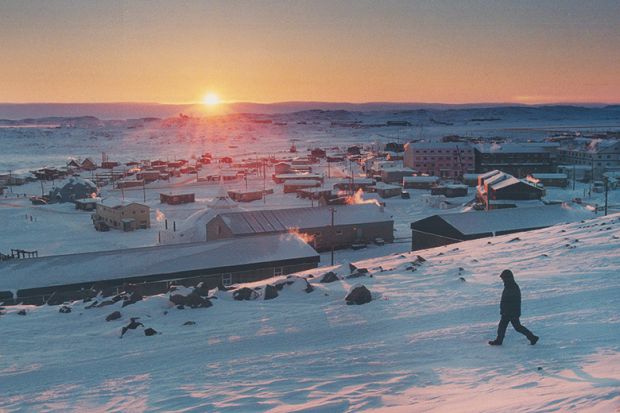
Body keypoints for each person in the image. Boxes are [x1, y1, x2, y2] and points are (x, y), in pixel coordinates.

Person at [489, 270, 539, 346]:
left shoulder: (511, 286)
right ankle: (532, 337)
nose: (502, 280)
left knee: (509, 326)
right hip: (510, 311)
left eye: (503, 278)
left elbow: (511, 301)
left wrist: (506, 311)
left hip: (510, 312)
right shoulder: (509, 285)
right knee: (514, 327)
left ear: (507, 278)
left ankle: (532, 337)